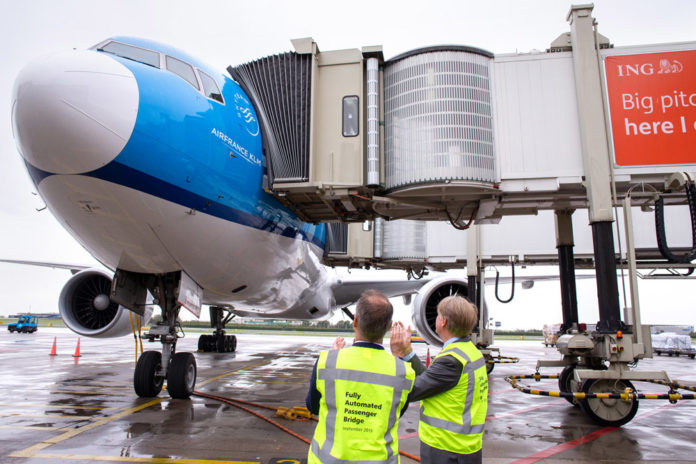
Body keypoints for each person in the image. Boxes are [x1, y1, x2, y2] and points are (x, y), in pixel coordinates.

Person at [306, 289, 416, 464]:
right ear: (389, 327)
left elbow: (313, 406)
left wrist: (336, 358)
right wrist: (399, 358)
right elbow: (397, 412)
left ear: (355, 321)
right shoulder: (402, 371)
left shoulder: (327, 362)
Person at [390, 295, 488, 464]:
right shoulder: (468, 352)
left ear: (443, 322)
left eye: (437, 315)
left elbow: (412, 390)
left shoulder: (451, 360)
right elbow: (431, 381)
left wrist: (397, 357)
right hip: (465, 447)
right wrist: (407, 352)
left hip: (446, 448)